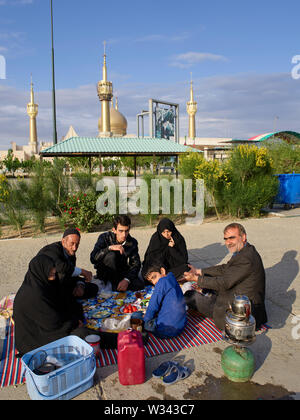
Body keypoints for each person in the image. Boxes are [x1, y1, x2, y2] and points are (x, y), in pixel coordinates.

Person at [13, 255, 118, 355]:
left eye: (53, 273)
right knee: (82, 334)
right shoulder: (35, 296)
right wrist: (74, 323)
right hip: (35, 342)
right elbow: (53, 324)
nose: (53, 277)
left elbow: (62, 297)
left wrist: (75, 316)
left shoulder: (41, 283)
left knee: (74, 304)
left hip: (47, 325)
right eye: (50, 274)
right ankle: (118, 340)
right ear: (41, 271)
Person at [183, 223, 268, 331]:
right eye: (226, 239)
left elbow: (224, 283)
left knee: (190, 296)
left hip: (241, 312)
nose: (228, 242)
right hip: (236, 295)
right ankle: (207, 298)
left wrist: (196, 279)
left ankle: (209, 307)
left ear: (243, 237)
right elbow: (225, 268)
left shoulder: (246, 259)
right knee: (208, 280)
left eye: (232, 238)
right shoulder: (245, 250)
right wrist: (199, 271)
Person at [38, 228, 98, 300]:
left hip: (64, 285)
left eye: (77, 244)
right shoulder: (51, 250)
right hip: (46, 289)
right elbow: (61, 267)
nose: (74, 248)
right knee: (63, 275)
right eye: (72, 243)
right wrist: (83, 271)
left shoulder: (71, 253)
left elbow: (71, 273)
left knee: (93, 288)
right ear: (63, 241)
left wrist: (80, 285)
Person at [90, 215, 143, 292]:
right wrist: (109, 248)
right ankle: (110, 284)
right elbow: (93, 258)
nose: (124, 235)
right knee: (111, 255)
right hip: (105, 272)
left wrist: (126, 280)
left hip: (121, 272)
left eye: (126, 231)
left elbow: (136, 264)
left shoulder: (132, 242)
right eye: (121, 231)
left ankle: (117, 285)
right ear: (114, 230)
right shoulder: (104, 237)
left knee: (139, 285)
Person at [143, 265, 187, 339]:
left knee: (137, 316)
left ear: (162, 271)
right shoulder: (172, 278)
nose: (154, 282)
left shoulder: (162, 282)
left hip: (165, 330)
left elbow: (153, 306)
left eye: (154, 277)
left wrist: (145, 319)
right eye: (151, 281)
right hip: (181, 326)